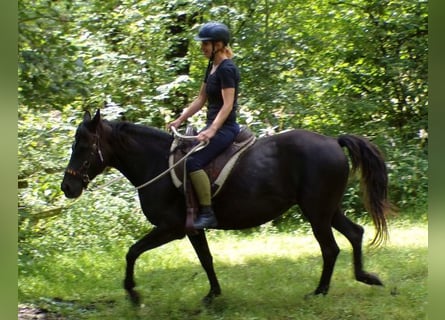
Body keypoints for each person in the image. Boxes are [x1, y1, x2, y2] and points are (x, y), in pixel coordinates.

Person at [168, 22, 241, 229]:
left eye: (206, 44)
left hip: (225, 129)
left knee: (193, 162)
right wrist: (180, 119)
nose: (202, 48)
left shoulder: (227, 68)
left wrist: (212, 129)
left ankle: (208, 213)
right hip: (213, 125)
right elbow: (201, 100)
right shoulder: (212, 66)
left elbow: (227, 105)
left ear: (218, 44)